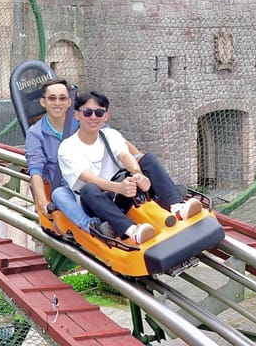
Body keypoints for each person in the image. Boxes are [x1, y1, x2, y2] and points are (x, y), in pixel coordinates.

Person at [58, 90, 202, 245]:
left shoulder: (110, 135)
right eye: (87, 112)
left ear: (105, 116)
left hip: (123, 193)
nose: (93, 117)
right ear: (77, 115)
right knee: (89, 188)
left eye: (99, 113)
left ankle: (177, 206)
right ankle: (132, 231)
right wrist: (118, 188)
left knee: (147, 159)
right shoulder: (67, 147)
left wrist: (138, 174)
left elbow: (125, 155)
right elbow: (88, 178)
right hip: (96, 202)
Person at [24, 78, 99, 231]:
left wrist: (138, 159)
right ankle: (92, 227)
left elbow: (112, 139)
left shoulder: (83, 123)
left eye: (62, 98)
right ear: (43, 102)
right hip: (66, 188)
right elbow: (35, 170)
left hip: (94, 179)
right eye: (52, 98)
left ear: (69, 102)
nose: (57, 103)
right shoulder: (36, 133)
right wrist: (43, 203)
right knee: (59, 195)